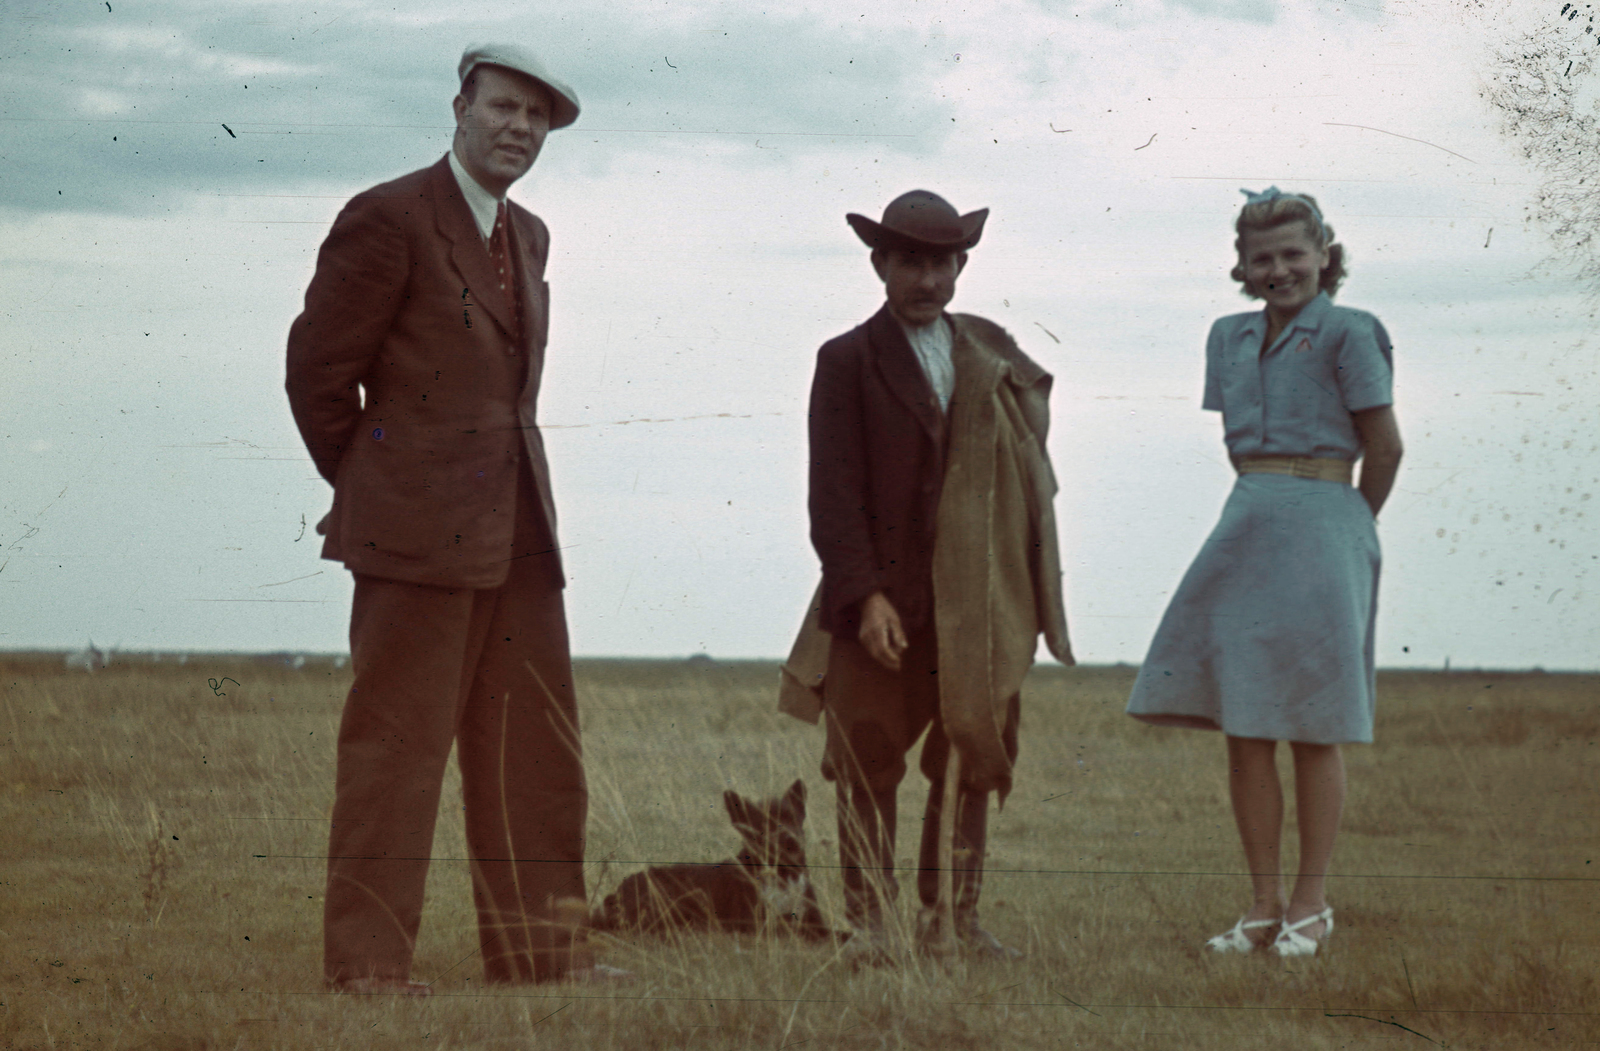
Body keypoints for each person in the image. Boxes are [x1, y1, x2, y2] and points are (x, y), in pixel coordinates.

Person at [285, 44, 627, 993]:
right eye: (504, 107)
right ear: (460, 107)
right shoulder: (387, 216)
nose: (520, 128)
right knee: (395, 756)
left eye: (537, 117)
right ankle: (367, 969)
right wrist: (382, 483)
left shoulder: (532, 235)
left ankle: (542, 957)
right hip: (413, 540)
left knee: (537, 755)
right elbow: (317, 374)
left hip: (519, 535)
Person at [1125, 188, 1403, 957]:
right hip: (1246, 521)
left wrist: (1351, 521)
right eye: (1262, 258)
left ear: (1324, 256)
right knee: (1246, 725)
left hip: (1329, 519)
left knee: (1314, 724)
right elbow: (1237, 441)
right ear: (1242, 267)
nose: (1279, 269)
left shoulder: (1352, 331)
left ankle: (1311, 906)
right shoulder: (1227, 336)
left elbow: (1385, 447)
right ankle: (1261, 907)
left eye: (1293, 253)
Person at [804, 190, 1073, 961]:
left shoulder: (992, 360)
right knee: (865, 758)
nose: (928, 280)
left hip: (976, 602)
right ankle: (871, 926)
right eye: (910, 262)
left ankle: (953, 919)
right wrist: (866, 598)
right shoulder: (846, 360)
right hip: (878, 602)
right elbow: (833, 494)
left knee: (972, 752)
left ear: (961, 266)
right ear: (880, 264)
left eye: (942, 263)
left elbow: (1025, 479)